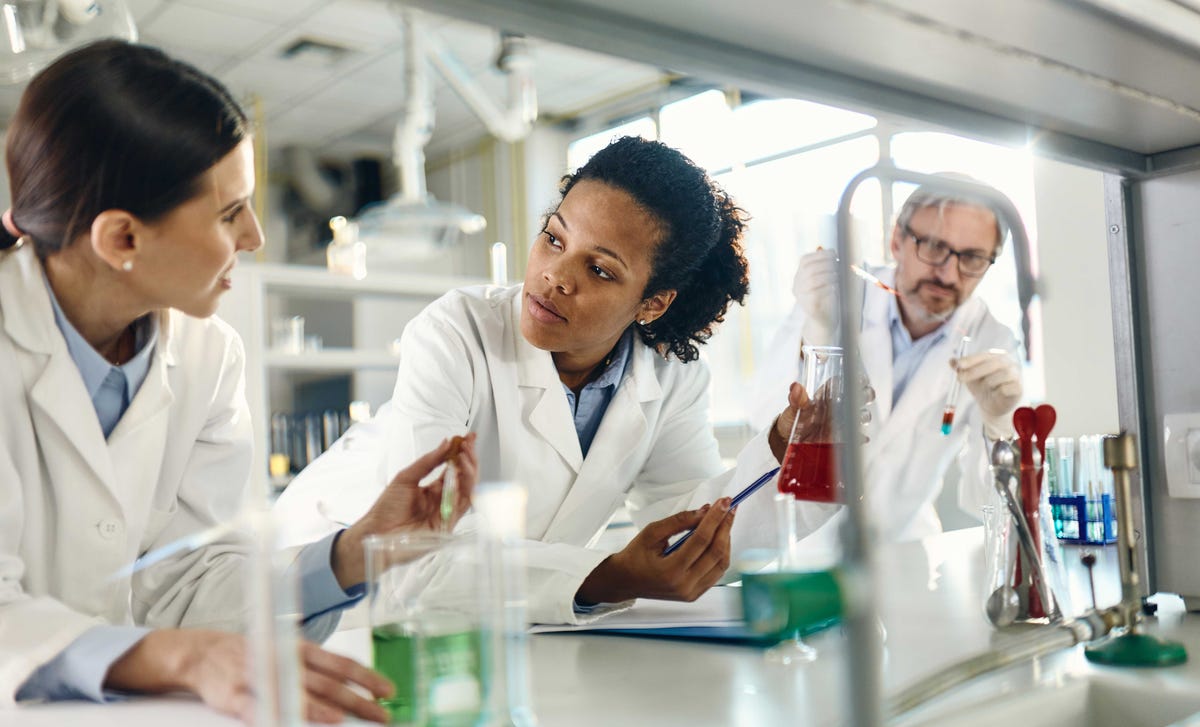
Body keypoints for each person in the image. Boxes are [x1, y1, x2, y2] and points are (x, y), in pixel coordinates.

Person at [0, 40, 479, 723]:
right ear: (122, 239)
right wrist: (183, 659)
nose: (255, 237)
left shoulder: (208, 353)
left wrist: (355, 550)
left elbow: (187, 580)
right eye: (230, 214)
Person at [275, 136, 838, 624]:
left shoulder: (672, 378)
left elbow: (686, 527)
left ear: (652, 303)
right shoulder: (457, 330)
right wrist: (605, 576)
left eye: (599, 269)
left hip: (499, 611)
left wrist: (777, 453)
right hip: (328, 584)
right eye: (553, 237)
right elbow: (419, 552)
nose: (553, 276)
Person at [750, 177, 1023, 548]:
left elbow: (987, 503)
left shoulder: (993, 341)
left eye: (972, 258)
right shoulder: (835, 296)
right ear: (897, 240)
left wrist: (999, 424)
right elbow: (764, 419)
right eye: (933, 246)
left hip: (905, 547)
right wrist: (817, 328)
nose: (947, 273)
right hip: (807, 543)